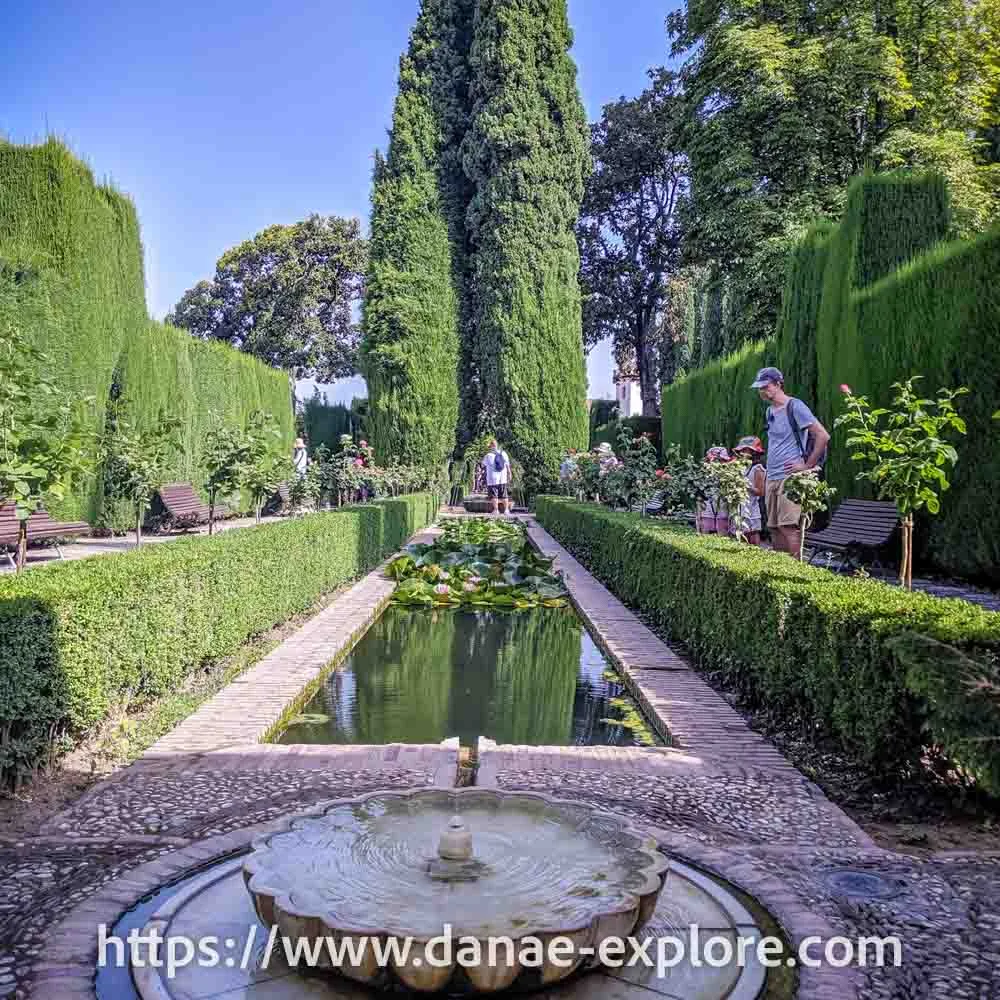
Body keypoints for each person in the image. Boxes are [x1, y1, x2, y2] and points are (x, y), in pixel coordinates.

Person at [751, 366, 830, 558]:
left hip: (790, 477)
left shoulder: (795, 406)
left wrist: (807, 465)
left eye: (766, 386)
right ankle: (781, 567)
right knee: (774, 527)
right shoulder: (769, 411)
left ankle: (795, 567)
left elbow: (823, 436)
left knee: (788, 526)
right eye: (760, 388)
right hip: (772, 476)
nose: (762, 391)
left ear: (778, 384)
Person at [732, 436, 766, 545]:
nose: (744, 453)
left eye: (747, 450)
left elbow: (761, 491)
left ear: (754, 452)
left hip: (751, 508)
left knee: (752, 535)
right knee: (740, 536)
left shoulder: (758, 468)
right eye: (742, 450)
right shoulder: (740, 467)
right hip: (739, 508)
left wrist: (744, 485)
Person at [482, 439, 512, 515]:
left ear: (491, 446)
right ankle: (506, 510)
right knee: (504, 495)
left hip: (492, 479)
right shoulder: (503, 453)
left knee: (494, 495)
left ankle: (496, 510)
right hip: (503, 478)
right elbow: (507, 465)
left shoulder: (488, 455)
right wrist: (509, 474)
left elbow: (483, 465)